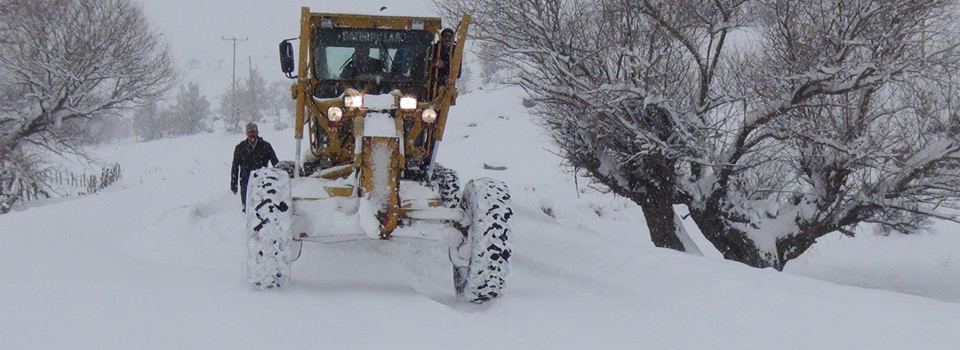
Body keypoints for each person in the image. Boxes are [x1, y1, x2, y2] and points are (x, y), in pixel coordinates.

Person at [231, 123, 279, 210]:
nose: (251, 134)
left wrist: (278, 177)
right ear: (246, 133)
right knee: (247, 206)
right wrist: (233, 183)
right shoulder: (240, 148)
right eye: (249, 131)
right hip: (246, 180)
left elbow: (275, 162)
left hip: (262, 179)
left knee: (262, 205)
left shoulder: (266, 146)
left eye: (253, 131)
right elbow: (235, 166)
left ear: (257, 132)